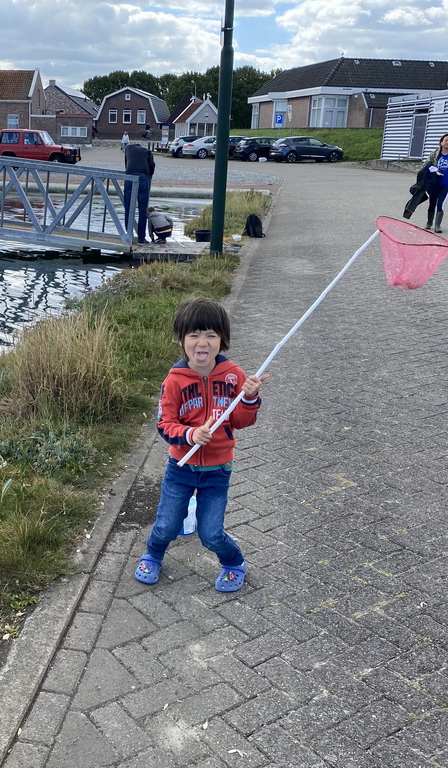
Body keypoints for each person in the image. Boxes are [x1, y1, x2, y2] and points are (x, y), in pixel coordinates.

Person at [134, 298, 269, 592]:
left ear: (222, 340)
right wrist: (190, 435)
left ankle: (234, 563)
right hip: (180, 467)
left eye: (211, 334)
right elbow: (164, 424)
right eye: (194, 334)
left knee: (211, 534)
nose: (202, 342)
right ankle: (153, 554)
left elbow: (242, 421)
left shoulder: (235, 375)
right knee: (167, 525)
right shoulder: (174, 380)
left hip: (218, 470)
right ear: (182, 340)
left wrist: (248, 398)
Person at [424, 132, 448, 233]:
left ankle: (437, 225)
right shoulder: (434, 154)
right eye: (446, 140)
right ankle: (429, 222)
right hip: (434, 183)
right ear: (441, 142)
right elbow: (426, 166)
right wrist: (435, 170)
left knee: (441, 204)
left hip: (446, 183)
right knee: (432, 203)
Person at [124, 142, 155, 244]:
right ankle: (141, 238)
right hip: (142, 177)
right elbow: (152, 166)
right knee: (142, 209)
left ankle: (128, 235)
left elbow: (126, 164)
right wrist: (149, 175)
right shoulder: (147, 152)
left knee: (128, 208)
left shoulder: (127, 149)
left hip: (129, 177)